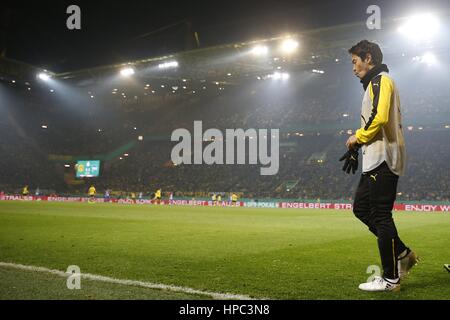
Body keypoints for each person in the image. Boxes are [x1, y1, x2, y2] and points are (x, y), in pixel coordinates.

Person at [344, 40, 418, 292]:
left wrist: (358, 137)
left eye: (355, 61)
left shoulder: (381, 80)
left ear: (368, 58)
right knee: (361, 208)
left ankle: (390, 279)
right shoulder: (375, 83)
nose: (353, 68)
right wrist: (360, 145)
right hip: (376, 156)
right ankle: (404, 253)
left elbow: (380, 117)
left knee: (381, 216)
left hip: (384, 157)